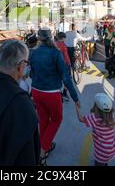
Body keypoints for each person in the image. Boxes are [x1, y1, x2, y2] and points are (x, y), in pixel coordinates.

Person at [29, 29, 80, 165]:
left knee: (44, 119)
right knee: (57, 119)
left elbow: (31, 74)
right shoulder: (55, 53)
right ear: (51, 38)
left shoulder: (33, 53)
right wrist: (75, 98)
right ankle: (42, 150)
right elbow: (66, 77)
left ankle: (45, 144)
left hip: (36, 91)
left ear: (39, 39)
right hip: (51, 92)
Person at [75, 93, 115, 166]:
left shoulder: (95, 117)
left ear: (96, 107)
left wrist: (76, 106)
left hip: (101, 152)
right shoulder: (111, 115)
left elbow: (81, 119)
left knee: (99, 163)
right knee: (105, 162)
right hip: (111, 149)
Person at [55, 32, 72, 102]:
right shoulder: (63, 46)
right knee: (67, 80)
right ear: (63, 38)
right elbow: (66, 56)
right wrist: (69, 64)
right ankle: (64, 93)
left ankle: (58, 94)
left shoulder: (54, 44)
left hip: (55, 65)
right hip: (63, 65)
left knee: (57, 80)